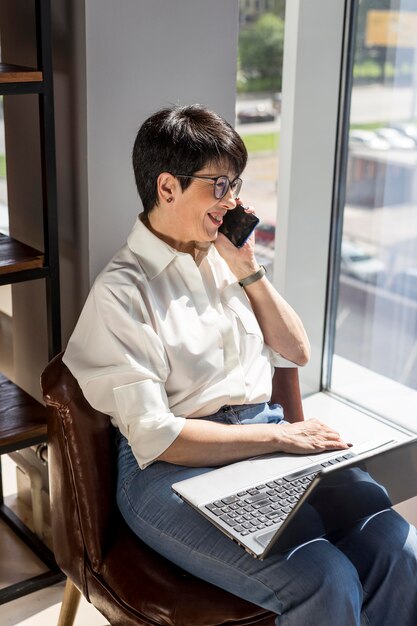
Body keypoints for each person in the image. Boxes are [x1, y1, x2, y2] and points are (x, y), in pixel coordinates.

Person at [63, 104, 417, 625]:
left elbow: (296, 352)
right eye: (220, 184)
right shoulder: (123, 291)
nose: (234, 200)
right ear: (167, 188)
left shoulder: (228, 258)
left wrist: (249, 269)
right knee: (325, 579)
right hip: (169, 474)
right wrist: (279, 439)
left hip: (262, 447)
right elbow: (158, 438)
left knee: (394, 543)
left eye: (236, 183)